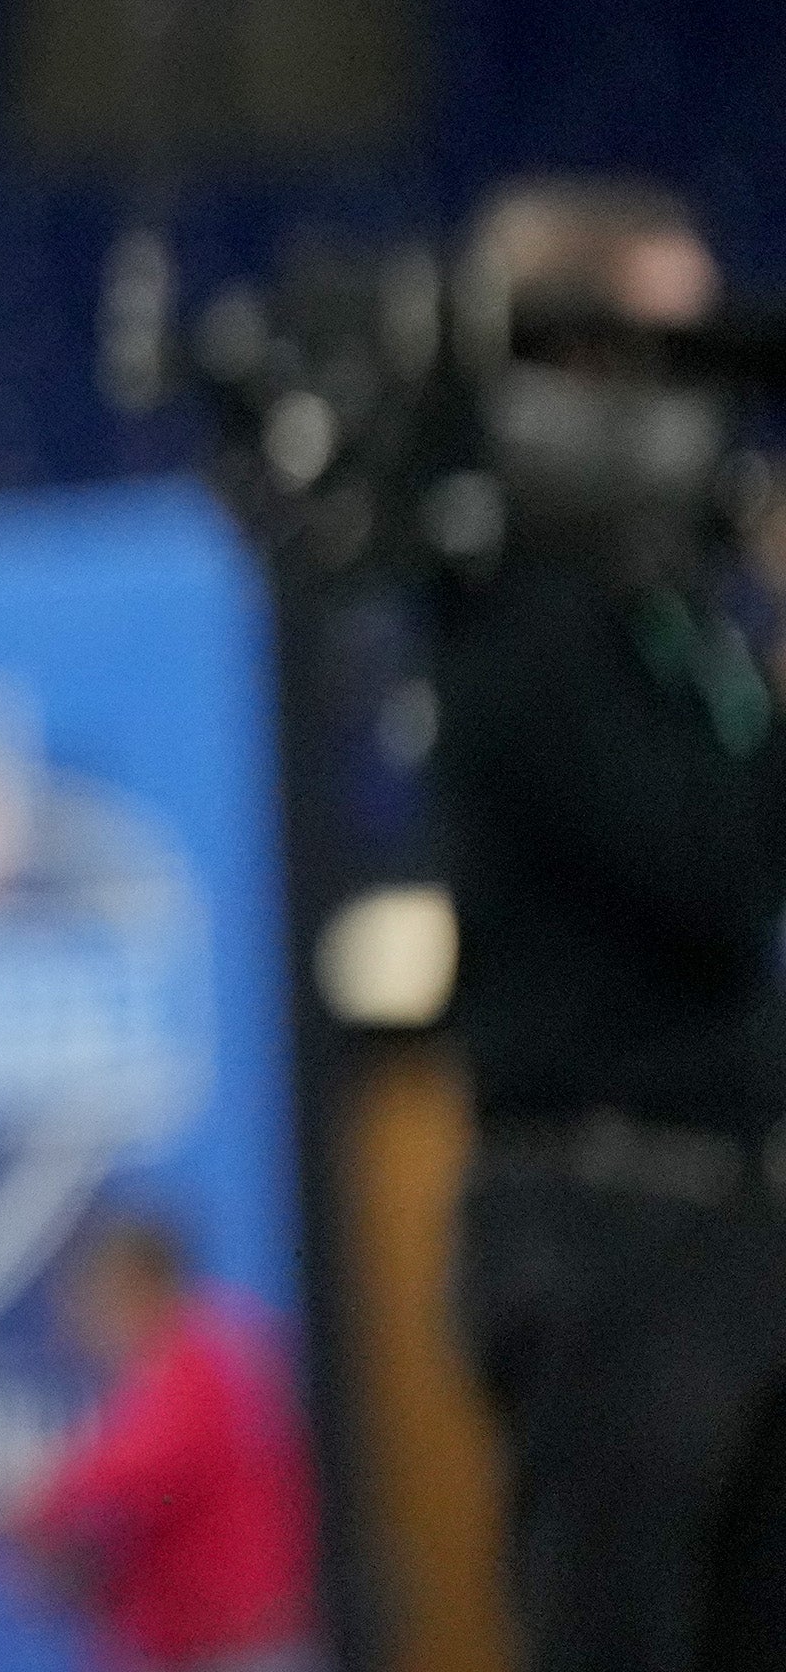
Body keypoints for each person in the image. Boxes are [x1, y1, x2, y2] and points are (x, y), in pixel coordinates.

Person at [424, 178, 786, 1672]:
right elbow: (709, 873)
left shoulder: (663, 607)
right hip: (607, 1226)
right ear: (574, 358)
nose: (710, 398)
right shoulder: (521, 609)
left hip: (721, 1219)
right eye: (672, 349)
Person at [0, 1213, 314, 1672]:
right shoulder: (195, 1352)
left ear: (134, 1287)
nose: (79, 1323)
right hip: (208, 1644)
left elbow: (136, 1468)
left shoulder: (200, 1358)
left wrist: (39, 1499)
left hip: (240, 1647)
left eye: (93, 1300)